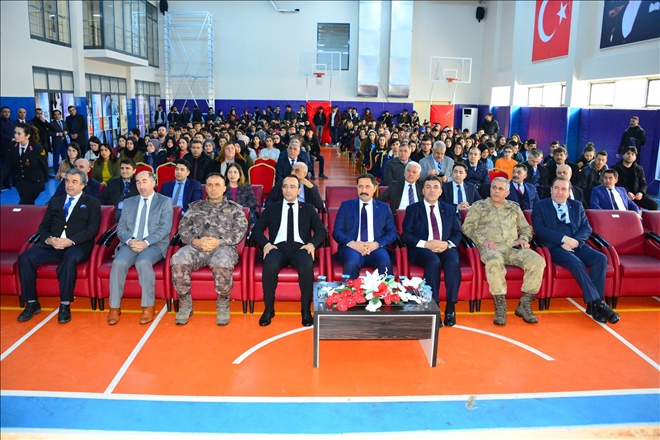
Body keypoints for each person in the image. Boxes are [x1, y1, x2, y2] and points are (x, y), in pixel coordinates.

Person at [17, 169, 101, 323]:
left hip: (77, 245)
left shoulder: (92, 203)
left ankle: (65, 305)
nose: (69, 185)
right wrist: (49, 239)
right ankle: (32, 302)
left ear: (83, 185)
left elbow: (92, 230)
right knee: (25, 258)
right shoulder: (55, 202)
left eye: (74, 182)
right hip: (52, 245)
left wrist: (71, 241)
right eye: (67, 181)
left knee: (69, 261)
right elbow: (43, 226)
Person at [532, 178, 620, 324]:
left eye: (563, 189)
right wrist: (563, 239)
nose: (559, 192)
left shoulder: (577, 206)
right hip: (555, 247)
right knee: (576, 262)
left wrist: (575, 242)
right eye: (556, 188)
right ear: (551, 190)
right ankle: (599, 303)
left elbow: (587, 228)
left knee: (601, 258)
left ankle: (593, 307)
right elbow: (540, 230)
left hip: (576, 245)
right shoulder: (540, 206)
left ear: (569, 192)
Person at [463, 177, 546, 325]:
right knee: (494, 261)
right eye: (494, 187)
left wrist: (524, 239)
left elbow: (526, 228)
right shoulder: (479, 206)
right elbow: (467, 228)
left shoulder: (514, 207)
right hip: (491, 248)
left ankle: (524, 304)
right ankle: (500, 307)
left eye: (500, 189)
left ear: (507, 193)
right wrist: (484, 240)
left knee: (538, 261)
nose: (496, 191)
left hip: (513, 247)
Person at [170, 172, 248, 325]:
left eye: (217, 185)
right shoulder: (195, 207)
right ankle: (185, 303)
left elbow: (240, 231)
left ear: (224, 188)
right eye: (210, 185)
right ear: (206, 188)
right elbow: (183, 228)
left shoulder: (234, 209)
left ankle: (223, 303)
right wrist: (196, 242)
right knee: (178, 259)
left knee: (222, 262)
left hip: (224, 248)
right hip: (197, 247)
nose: (213, 188)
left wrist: (220, 242)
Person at [253, 175, 327, 327]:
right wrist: (266, 245)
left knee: (307, 267)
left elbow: (321, 231)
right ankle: (269, 309)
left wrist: (312, 244)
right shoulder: (272, 208)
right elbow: (257, 230)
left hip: (301, 247)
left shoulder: (308, 209)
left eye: (292, 186)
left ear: (299, 190)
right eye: (285, 186)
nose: (288, 190)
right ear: (281, 189)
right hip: (277, 247)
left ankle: (306, 310)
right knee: (270, 265)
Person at [107, 171, 174, 325]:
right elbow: (121, 228)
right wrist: (130, 241)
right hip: (131, 243)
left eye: (144, 181)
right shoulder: (129, 202)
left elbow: (165, 229)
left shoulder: (164, 201)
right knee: (118, 263)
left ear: (153, 182)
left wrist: (146, 242)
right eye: (138, 182)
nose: (141, 185)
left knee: (143, 262)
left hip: (154, 244)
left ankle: (148, 306)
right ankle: (114, 307)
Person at [402, 176, 462, 326]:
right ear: (422, 190)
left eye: (435, 187)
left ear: (441, 191)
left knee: (453, 262)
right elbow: (406, 235)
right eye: (428, 187)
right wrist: (426, 244)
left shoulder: (449, 209)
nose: (431, 190)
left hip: (444, 246)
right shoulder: (413, 209)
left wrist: (447, 244)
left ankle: (450, 307)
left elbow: (457, 233)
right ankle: (433, 307)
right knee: (433, 261)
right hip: (422, 249)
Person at [332, 174, 398, 279]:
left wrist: (376, 244)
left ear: (374, 188)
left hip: (375, 247)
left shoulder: (384, 208)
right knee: (352, 261)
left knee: (384, 261)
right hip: (352, 248)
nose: (363, 190)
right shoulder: (346, 206)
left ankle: (386, 290)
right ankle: (348, 289)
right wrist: (353, 244)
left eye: (367, 186)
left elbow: (392, 233)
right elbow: (337, 231)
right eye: (360, 186)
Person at [0, 123, 49, 204]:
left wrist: (44, 180)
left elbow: (44, 165)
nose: (15, 135)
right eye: (15, 133)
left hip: (34, 183)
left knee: (23, 205)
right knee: (29, 206)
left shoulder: (37, 148)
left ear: (27, 135)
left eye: (19, 134)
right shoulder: (13, 146)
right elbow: (7, 165)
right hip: (21, 184)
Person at [0, 107, 17, 190]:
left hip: (14, 147)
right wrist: (11, 139)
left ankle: (15, 183)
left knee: (15, 166)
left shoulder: (13, 122)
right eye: (5, 112)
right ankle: (6, 184)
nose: (7, 113)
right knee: (6, 166)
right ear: (1, 113)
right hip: (4, 148)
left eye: (8, 112)